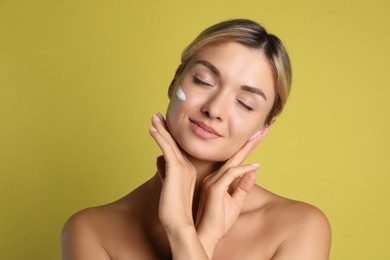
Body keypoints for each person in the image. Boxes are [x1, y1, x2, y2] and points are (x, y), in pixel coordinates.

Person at [61, 19, 331, 259]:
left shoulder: (298, 228)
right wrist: (191, 233)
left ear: (264, 128)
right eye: (203, 81)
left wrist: (185, 231)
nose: (214, 109)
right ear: (174, 83)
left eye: (245, 103)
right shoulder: (91, 231)